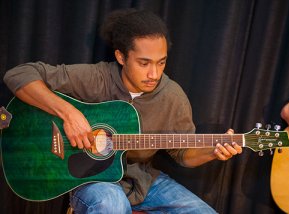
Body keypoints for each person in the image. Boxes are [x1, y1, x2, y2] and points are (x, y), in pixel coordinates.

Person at [4, 9, 242, 214]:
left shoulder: (172, 96)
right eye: (144, 63)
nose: (154, 74)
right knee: (112, 203)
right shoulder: (97, 78)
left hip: (144, 182)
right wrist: (69, 114)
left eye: (161, 62)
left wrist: (213, 151)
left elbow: (183, 153)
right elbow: (19, 75)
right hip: (92, 180)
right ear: (121, 56)